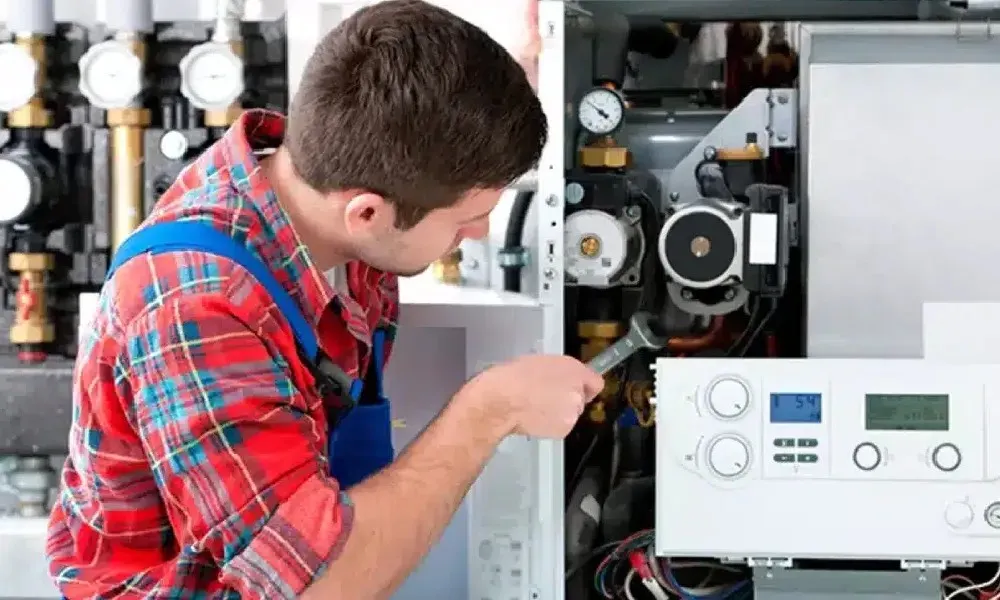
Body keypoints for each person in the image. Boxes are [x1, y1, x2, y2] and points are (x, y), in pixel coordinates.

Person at [45, 1, 603, 598]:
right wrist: (490, 411)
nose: (481, 236)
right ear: (366, 213)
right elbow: (314, 584)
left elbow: (424, 117)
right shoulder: (197, 305)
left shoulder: (331, 194)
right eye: (469, 218)